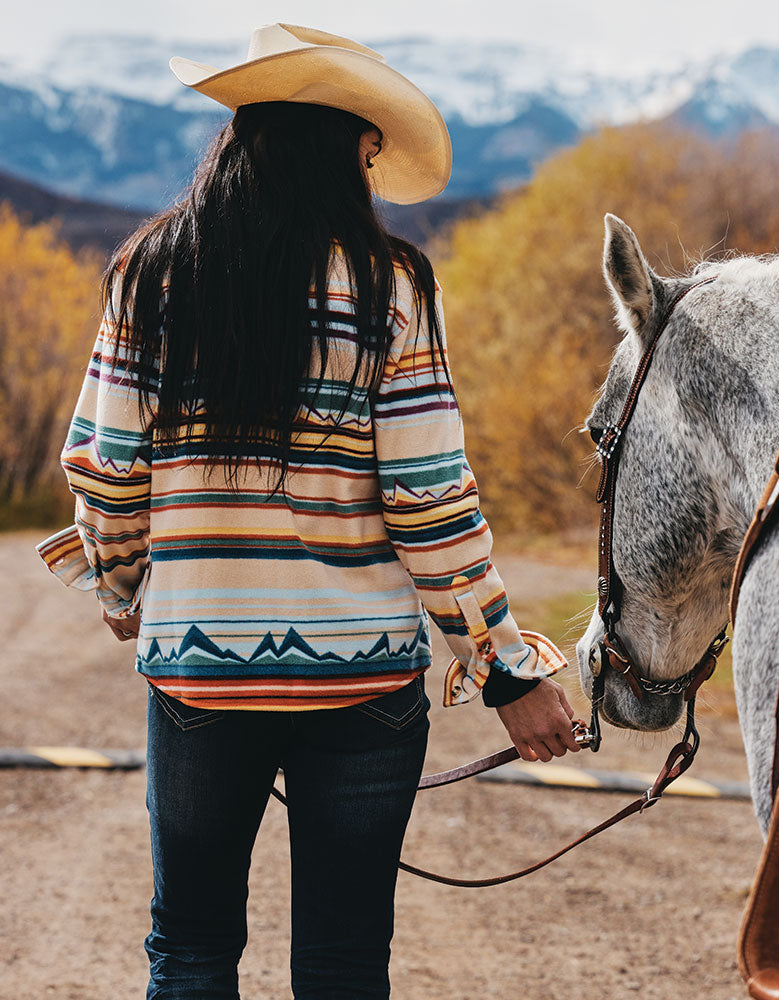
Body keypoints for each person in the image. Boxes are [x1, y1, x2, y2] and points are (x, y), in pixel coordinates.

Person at [37, 23, 580, 1000]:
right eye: (369, 149)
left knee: (190, 951)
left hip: (200, 668)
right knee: (343, 963)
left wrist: (124, 588)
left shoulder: (152, 273)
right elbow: (429, 502)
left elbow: (106, 474)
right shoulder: (391, 287)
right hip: (365, 680)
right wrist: (506, 669)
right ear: (343, 148)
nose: (372, 167)